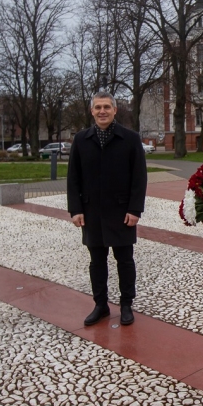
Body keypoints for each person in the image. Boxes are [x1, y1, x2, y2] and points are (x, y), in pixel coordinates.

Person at [67, 91, 148, 327]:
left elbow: (139, 178)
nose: (102, 111)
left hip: (122, 211)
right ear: (92, 111)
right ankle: (100, 305)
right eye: (98, 107)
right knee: (97, 261)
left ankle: (126, 304)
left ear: (115, 110)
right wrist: (76, 209)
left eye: (107, 107)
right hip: (92, 212)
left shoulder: (130, 139)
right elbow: (73, 178)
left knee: (125, 260)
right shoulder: (81, 140)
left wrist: (135, 210)